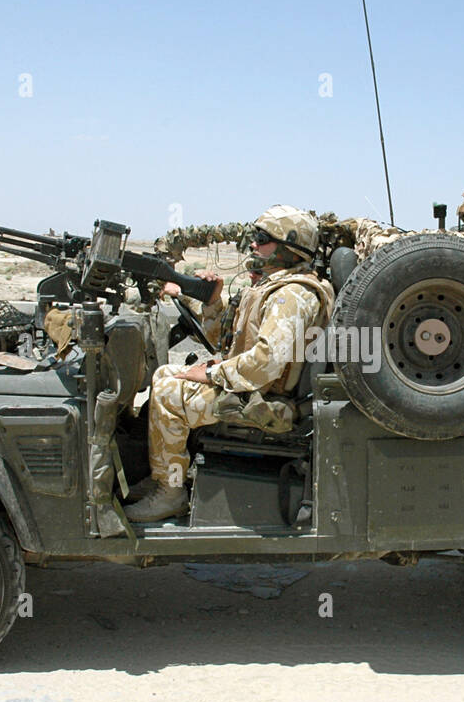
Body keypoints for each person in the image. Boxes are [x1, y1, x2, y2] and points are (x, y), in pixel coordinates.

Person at [122, 204, 335, 522]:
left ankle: (171, 493)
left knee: (169, 391)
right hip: (259, 391)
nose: (253, 244)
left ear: (290, 247)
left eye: (262, 238)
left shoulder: (292, 295)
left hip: (270, 405)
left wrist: (210, 373)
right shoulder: (275, 288)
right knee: (168, 373)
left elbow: (266, 362)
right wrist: (212, 302)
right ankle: (166, 477)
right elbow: (232, 342)